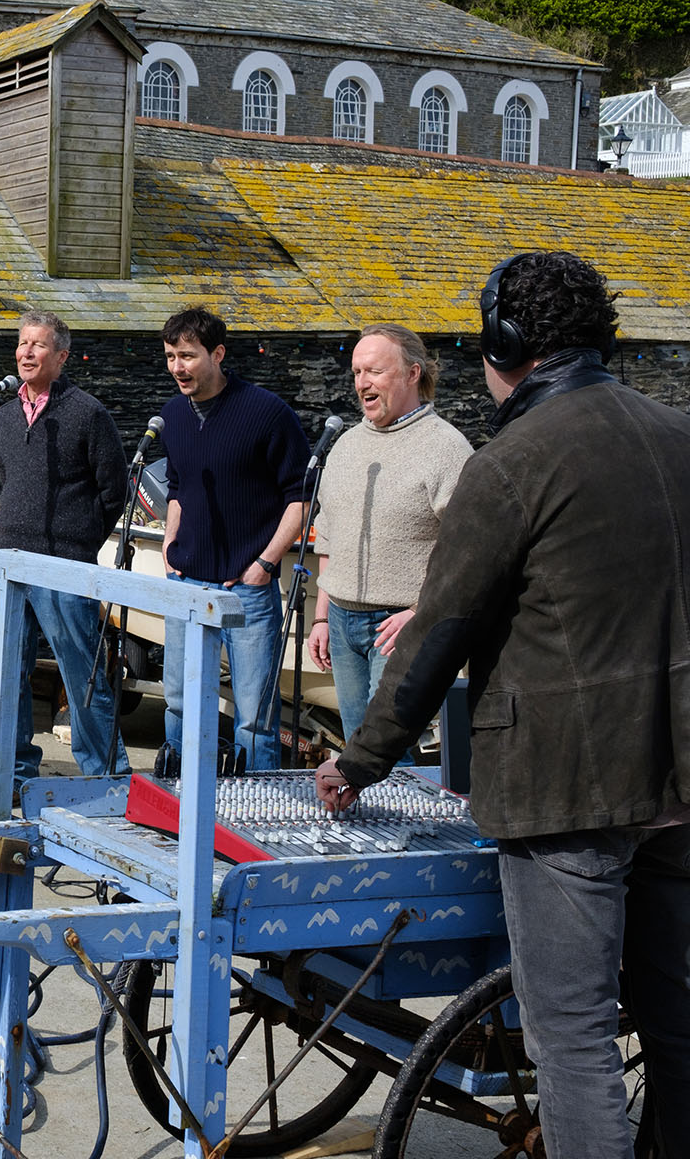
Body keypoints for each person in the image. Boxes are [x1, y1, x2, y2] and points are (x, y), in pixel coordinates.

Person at [318, 251, 689, 1159]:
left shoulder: (509, 464)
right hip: (682, 784)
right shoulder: (681, 435)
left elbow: (437, 636)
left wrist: (358, 761)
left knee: (572, 1043)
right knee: (677, 1031)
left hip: (569, 792)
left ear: (504, 345)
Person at [157, 308, 309, 773]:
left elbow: (303, 496)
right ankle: (176, 797)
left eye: (187, 356)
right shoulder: (171, 416)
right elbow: (178, 488)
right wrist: (169, 543)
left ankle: (256, 804)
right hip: (186, 582)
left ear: (217, 354)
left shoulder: (267, 412)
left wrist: (265, 561)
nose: (177, 367)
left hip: (247, 588)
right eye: (169, 357)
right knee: (179, 701)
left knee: (254, 715)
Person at [305, 324, 470, 740]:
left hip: (401, 623)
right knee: (355, 739)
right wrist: (321, 617)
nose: (362, 383)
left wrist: (420, 613)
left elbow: (469, 550)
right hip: (341, 620)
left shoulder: (447, 448)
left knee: (391, 745)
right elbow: (328, 536)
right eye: (357, 372)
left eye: (374, 371)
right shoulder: (345, 445)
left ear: (413, 373)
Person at [0, 312, 129, 784]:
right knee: (9, 675)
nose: (27, 353)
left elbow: (115, 490)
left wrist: (80, 540)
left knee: (79, 673)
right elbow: (9, 480)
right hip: (10, 560)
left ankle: (108, 778)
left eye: (39, 345)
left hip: (64, 564)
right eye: (23, 343)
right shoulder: (5, 413)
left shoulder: (86, 412)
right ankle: (13, 774)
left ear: (62, 356)